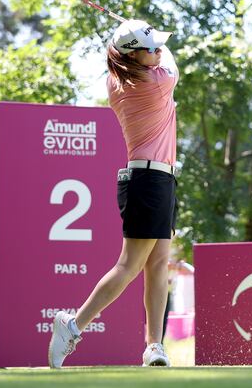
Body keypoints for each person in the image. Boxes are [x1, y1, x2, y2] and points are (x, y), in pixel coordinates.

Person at [49, 19, 179, 368]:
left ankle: (155, 345)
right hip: (148, 181)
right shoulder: (157, 80)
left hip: (158, 181)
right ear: (133, 56)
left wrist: (136, 36)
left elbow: (143, 53)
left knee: (158, 266)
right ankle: (72, 325)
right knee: (129, 266)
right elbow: (170, 59)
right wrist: (145, 37)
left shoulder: (116, 81)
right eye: (149, 48)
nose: (156, 51)